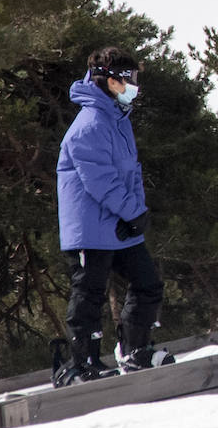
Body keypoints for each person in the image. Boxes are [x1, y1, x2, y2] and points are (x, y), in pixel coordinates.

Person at [53, 46, 174, 386]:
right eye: (130, 79)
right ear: (109, 81)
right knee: (90, 292)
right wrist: (132, 211)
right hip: (92, 228)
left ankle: (135, 350)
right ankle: (82, 363)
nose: (135, 86)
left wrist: (137, 212)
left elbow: (131, 172)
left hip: (120, 223)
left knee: (147, 283)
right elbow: (100, 182)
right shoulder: (90, 126)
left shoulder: (117, 121)